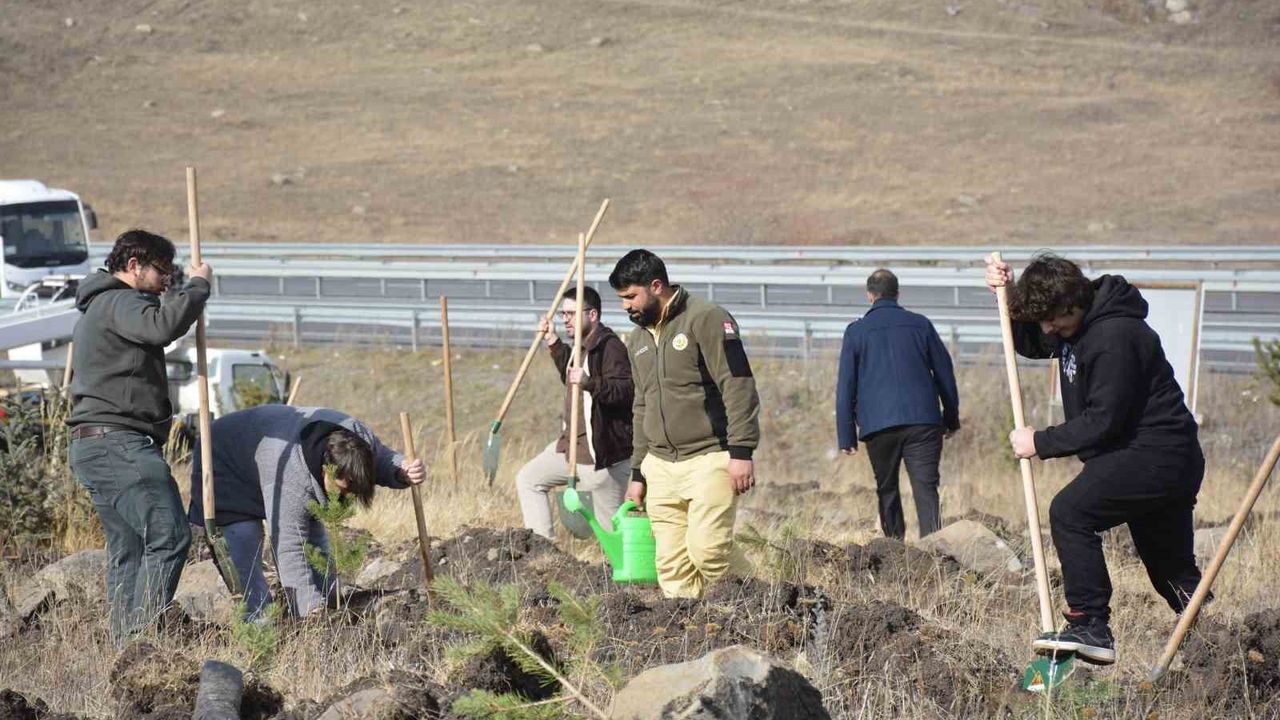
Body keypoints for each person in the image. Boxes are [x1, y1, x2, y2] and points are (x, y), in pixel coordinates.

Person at [986, 252, 1205, 666]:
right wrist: (1007, 295)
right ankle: (1219, 642)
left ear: (1074, 303)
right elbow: (1032, 342)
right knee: (1171, 571)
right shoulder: (1075, 324)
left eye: (1052, 319)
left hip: (1158, 454)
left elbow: (1104, 420)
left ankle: (1090, 624)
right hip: (1148, 455)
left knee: (1070, 512)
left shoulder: (1115, 336)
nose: (1047, 329)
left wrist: (1040, 441)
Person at [66, 229, 212, 641]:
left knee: (129, 549)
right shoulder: (120, 302)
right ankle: (141, 640)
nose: (168, 280)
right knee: (170, 535)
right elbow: (162, 326)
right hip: (119, 444)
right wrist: (198, 287)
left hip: (96, 446)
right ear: (134, 265)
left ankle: (126, 651)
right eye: (162, 271)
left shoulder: (102, 306)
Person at [609, 249, 760, 599]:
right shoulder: (638, 339)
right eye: (621, 299)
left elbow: (738, 384)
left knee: (708, 551)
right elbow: (642, 406)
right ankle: (695, 626)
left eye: (631, 296)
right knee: (672, 568)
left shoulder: (706, 319)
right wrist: (638, 472)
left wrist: (741, 451)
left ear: (656, 286)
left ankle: (762, 602)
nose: (626, 306)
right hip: (660, 466)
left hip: (709, 457)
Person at [188, 405, 425, 620]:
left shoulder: (359, 440)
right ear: (326, 469)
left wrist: (402, 470)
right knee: (244, 538)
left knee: (315, 539)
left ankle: (330, 599)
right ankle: (258, 622)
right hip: (224, 454)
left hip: (271, 451)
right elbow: (290, 548)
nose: (348, 496)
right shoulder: (293, 479)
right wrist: (312, 612)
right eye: (344, 489)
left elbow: (381, 459)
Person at [835, 269, 961, 539]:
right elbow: (944, 372)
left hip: (878, 425)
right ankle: (934, 549)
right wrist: (950, 418)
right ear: (898, 294)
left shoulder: (856, 332)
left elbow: (846, 385)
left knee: (887, 488)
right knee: (926, 488)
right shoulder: (920, 325)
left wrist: (846, 435)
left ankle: (894, 549)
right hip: (923, 421)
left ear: (869, 295)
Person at [515, 286, 633, 539]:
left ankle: (625, 565)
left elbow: (625, 392)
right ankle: (543, 549)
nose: (565, 319)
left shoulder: (609, 348)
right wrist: (553, 341)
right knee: (529, 479)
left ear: (593, 315)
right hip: (570, 449)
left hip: (601, 458)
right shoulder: (580, 347)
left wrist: (591, 382)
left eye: (571, 314)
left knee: (611, 538)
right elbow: (570, 377)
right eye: (563, 314)